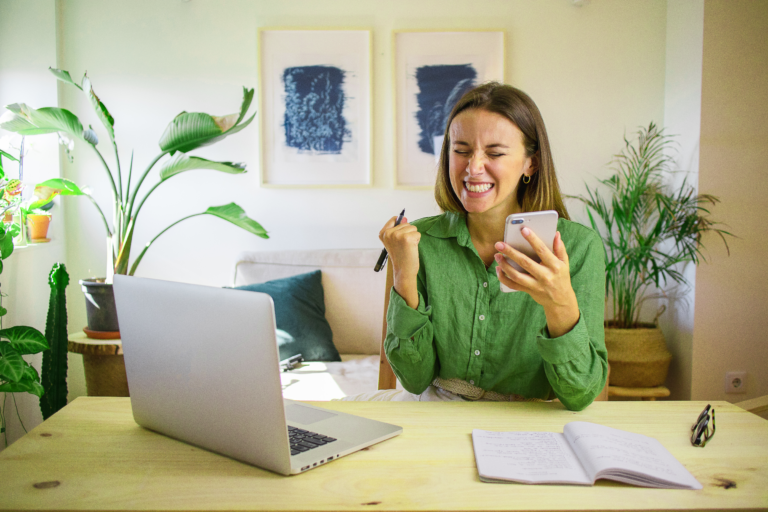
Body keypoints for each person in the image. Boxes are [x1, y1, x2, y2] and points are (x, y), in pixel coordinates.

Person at [371, 82, 607, 410]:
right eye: (461, 150)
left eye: (494, 153)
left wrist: (559, 303)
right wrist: (405, 277)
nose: (473, 167)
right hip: (438, 416)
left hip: (529, 424)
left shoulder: (580, 248)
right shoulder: (420, 241)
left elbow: (580, 394)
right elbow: (414, 379)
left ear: (531, 164)